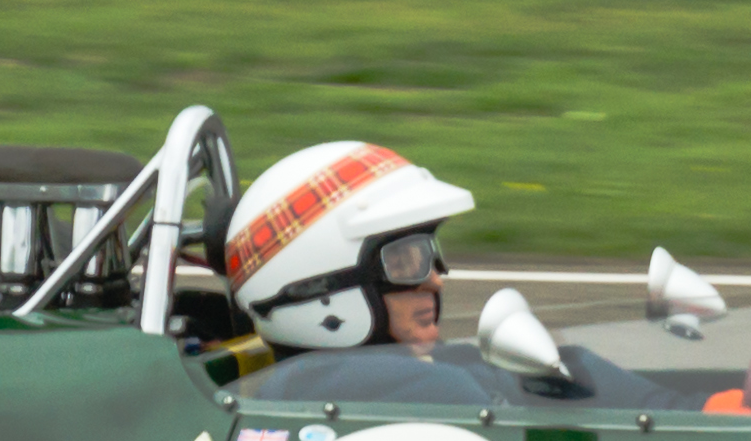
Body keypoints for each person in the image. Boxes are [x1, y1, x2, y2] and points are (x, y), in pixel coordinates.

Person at [228, 140, 697, 410]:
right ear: (324, 291)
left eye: (433, 254)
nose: (435, 280)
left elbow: (573, 376)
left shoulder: (437, 373)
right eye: (408, 261)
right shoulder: (419, 393)